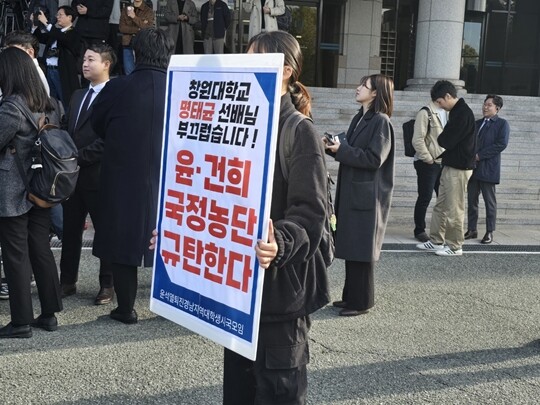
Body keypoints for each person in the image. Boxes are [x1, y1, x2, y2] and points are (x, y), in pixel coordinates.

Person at [219, 31, 330, 404]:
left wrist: (278, 243)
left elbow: (311, 212)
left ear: (286, 70)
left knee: (278, 392)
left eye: (258, 58)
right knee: (239, 389)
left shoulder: (299, 131)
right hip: (237, 291)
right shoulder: (237, 123)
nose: (248, 64)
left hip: (280, 290)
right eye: (246, 56)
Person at [90, 27, 174, 324]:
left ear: (136, 53)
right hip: (172, 177)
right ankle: (173, 304)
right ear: (168, 55)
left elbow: (97, 123)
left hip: (123, 174)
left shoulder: (117, 88)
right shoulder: (182, 89)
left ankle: (126, 308)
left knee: (122, 239)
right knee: (175, 238)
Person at [0, 47, 63, 338]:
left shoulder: (11, 106)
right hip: (42, 186)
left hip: (14, 190)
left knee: (15, 253)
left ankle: (21, 321)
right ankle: (49, 313)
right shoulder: (47, 103)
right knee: (40, 247)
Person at [323, 74, 395, 317]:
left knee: (362, 251)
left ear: (375, 93)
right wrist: (334, 147)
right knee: (354, 246)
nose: (357, 88)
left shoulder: (381, 121)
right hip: (355, 190)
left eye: (363, 86)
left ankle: (362, 301)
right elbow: (352, 151)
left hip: (368, 194)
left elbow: (374, 158)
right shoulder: (360, 118)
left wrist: (341, 150)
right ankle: (351, 296)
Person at [60, 43, 116, 305]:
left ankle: (107, 284)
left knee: (105, 231)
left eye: (91, 59)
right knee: (70, 230)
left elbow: (109, 139)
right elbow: (67, 129)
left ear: (106, 64)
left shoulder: (114, 94)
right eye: (84, 59)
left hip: (99, 174)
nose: (85, 63)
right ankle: (67, 281)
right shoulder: (77, 95)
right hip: (72, 176)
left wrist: (78, 157)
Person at [416, 80, 476, 256]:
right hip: (450, 164)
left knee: (454, 207)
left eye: (440, 102)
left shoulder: (462, 113)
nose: (440, 106)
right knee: (441, 205)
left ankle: (455, 246)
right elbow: (445, 140)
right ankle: (436, 240)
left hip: (459, 167)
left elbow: (445, 140)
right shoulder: (457, 112)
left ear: (448, 96)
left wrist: (442, 139)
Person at [465, 94, 510, 244]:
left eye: (489, 105)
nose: (485, 107)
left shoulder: (502, 124)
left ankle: (489, 232)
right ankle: (472, 229)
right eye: (484, 104)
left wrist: (479, 156)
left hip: (488, 169)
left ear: (497, 108)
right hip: (473, 169)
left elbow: (501, 144)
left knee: (490, 202)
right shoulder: (477, 123)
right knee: (472, 200)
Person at [411, 100, 446, 242]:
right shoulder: (425, 113)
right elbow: (417, 140)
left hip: (443, 161)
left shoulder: (448, 113)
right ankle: (419, 230)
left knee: (442, 198)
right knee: (425, 197)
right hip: (427, 163)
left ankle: (439, 230)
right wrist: (428, 158)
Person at [32, 6, 81, 107]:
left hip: (62, 71)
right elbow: (41, 38)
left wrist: (47, 23)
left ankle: (68, 121)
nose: (57, 17)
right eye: (57, 15)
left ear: (69, 17)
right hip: (49, 70)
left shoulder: (74, 33)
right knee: (51, 101)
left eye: (60, 15)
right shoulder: (56, 32)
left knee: (66, 100)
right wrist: (34, 24)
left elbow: (64, 39)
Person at [3, 31, 50, 97]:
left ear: (30, 52)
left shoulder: (32, 76)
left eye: (13, 51)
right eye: (6, 50)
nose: (8, 55)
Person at [119, 0, 155, 75]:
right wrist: (138, 29)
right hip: (128, 43)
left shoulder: (148, 11)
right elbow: (121, 28)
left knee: (142, 70)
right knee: (128, 71)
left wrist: (134, 17)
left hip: (142, 43)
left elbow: (148, 28)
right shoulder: (126, 10)